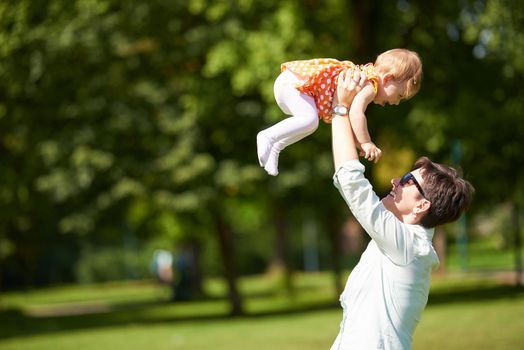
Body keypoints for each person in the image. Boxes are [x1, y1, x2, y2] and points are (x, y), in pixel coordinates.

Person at [329, 69, 474, 349]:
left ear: (422, 205)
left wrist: (340, 107)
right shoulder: (403, 243)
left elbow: (352, 185)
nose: (396, 180)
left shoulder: (409, 247)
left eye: (408, 181)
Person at [257, 48, 422, 176]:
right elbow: (356, 114)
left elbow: (349, 118)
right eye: (399, 96)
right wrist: (366, 142)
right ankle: (268, 136)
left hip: (293, 86)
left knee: (309, 123)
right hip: (295, 84)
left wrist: (358, 143)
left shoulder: (364, 77)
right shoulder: (370, 85)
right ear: (387, 78)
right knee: (310, 121)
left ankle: (276, 146)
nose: (396, 102)